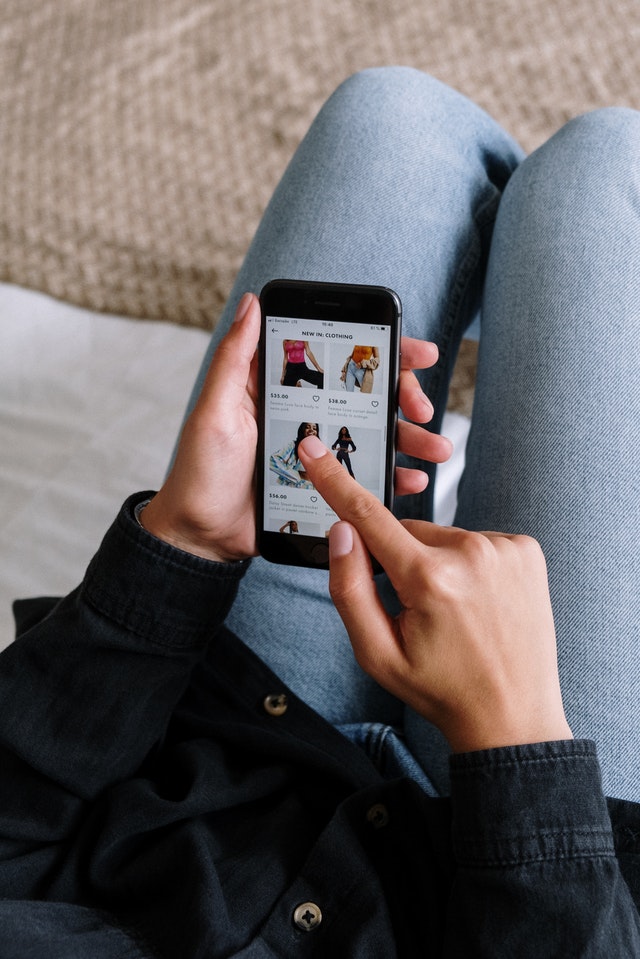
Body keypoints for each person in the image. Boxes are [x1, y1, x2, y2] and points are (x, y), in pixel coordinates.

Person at [1, 65, 640, 957]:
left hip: (223, 749)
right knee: (603, 168)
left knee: (395, 112)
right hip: (549, 871)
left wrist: (181, 545)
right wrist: (518, 738)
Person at [269, 421, 320, 487]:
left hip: (309, 489)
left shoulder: (319, 450)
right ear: (302, 430)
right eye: (307, 427)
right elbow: (272, 461)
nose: (311, 430)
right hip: (289, 487)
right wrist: (296, 475)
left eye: (314, 428)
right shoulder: (293, 445)